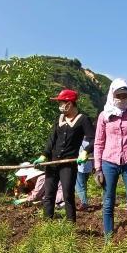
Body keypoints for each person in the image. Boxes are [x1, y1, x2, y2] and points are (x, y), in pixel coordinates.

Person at [94, 78, 127, 244]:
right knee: (108, 202)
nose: (122, 99)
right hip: (109, 162)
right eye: (119, 95)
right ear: (112, 95)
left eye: (125, 96)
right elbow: (98, 142)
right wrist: (98, 168)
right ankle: (108, 239)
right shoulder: (104, 116)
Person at [32, 89, 94, 222]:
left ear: (70, 104)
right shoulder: (59, 118)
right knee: (49, 194)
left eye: (61, 103)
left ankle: (70, 225)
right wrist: (44, 155)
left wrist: (86, 151)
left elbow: (94, 138)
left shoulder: (83, 119)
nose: (60, 106)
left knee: (68, 195)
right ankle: (47, 223)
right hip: (53, 163)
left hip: (68, 164)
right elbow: (51, 139)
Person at [75, 139, 93, 211]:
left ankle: (84, 203)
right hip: (88, 167)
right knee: (83, 185)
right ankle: (84, 202)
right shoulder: (91, 142)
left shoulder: (79, 141)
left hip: (80, 167)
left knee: (80, 186)